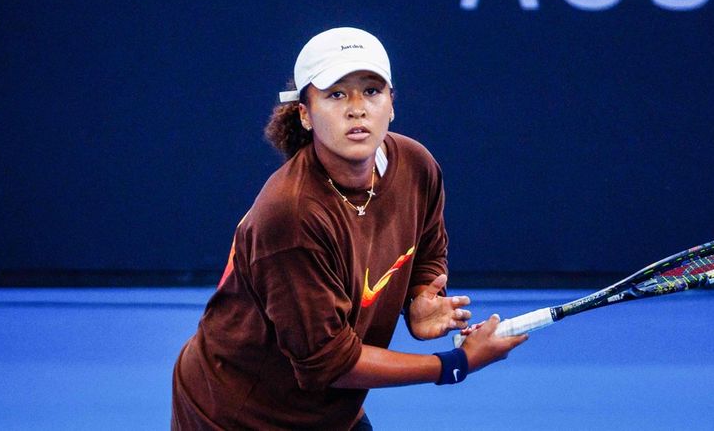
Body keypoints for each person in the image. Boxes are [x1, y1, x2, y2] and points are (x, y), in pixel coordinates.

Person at [171, 27, 526, 430]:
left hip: (330, 411)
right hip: (238, 414)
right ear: (304, 113)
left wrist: (421, 296)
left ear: (392, 104)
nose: (357, 109)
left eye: (372, 91)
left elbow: (427, 250)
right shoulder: (291, 218)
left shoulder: (415, 166)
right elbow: (328, 364)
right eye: (336, 94)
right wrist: (454, 365)